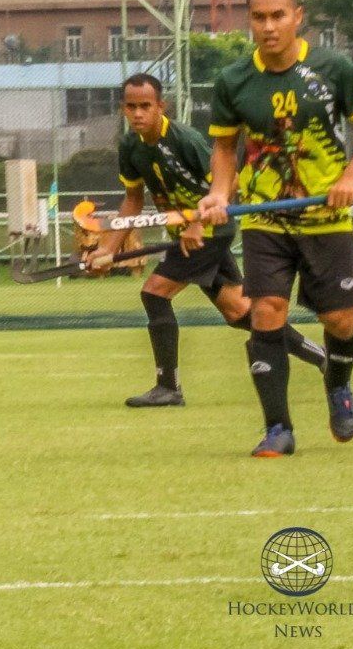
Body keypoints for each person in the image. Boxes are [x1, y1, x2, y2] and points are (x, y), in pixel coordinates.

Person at [197, 0, 353, 457]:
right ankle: (278, 428)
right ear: (249, 21)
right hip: (266, 219)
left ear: (298, 17)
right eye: (259, 17)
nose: (268, 26)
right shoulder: (234, 80)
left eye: (278, 15)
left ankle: (337, 381)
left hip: (325, 217)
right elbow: (224, 147)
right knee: (266, 312)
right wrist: (218, 193)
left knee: (340, 321)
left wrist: (351, 177)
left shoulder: (332, 68)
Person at [85, 74, 325, 408]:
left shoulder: (185, 140)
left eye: (145, 106)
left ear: (160, 106)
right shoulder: (130, 147)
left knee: (154, 293)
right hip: (185, 236)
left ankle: (168, 386)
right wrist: (107, 250)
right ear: (123, 109)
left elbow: (228, 184)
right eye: (131, 106)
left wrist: (196, 223)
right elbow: (133, 202)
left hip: (209, 233)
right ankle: (322, 357)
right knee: (240, 313)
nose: (138, 113)